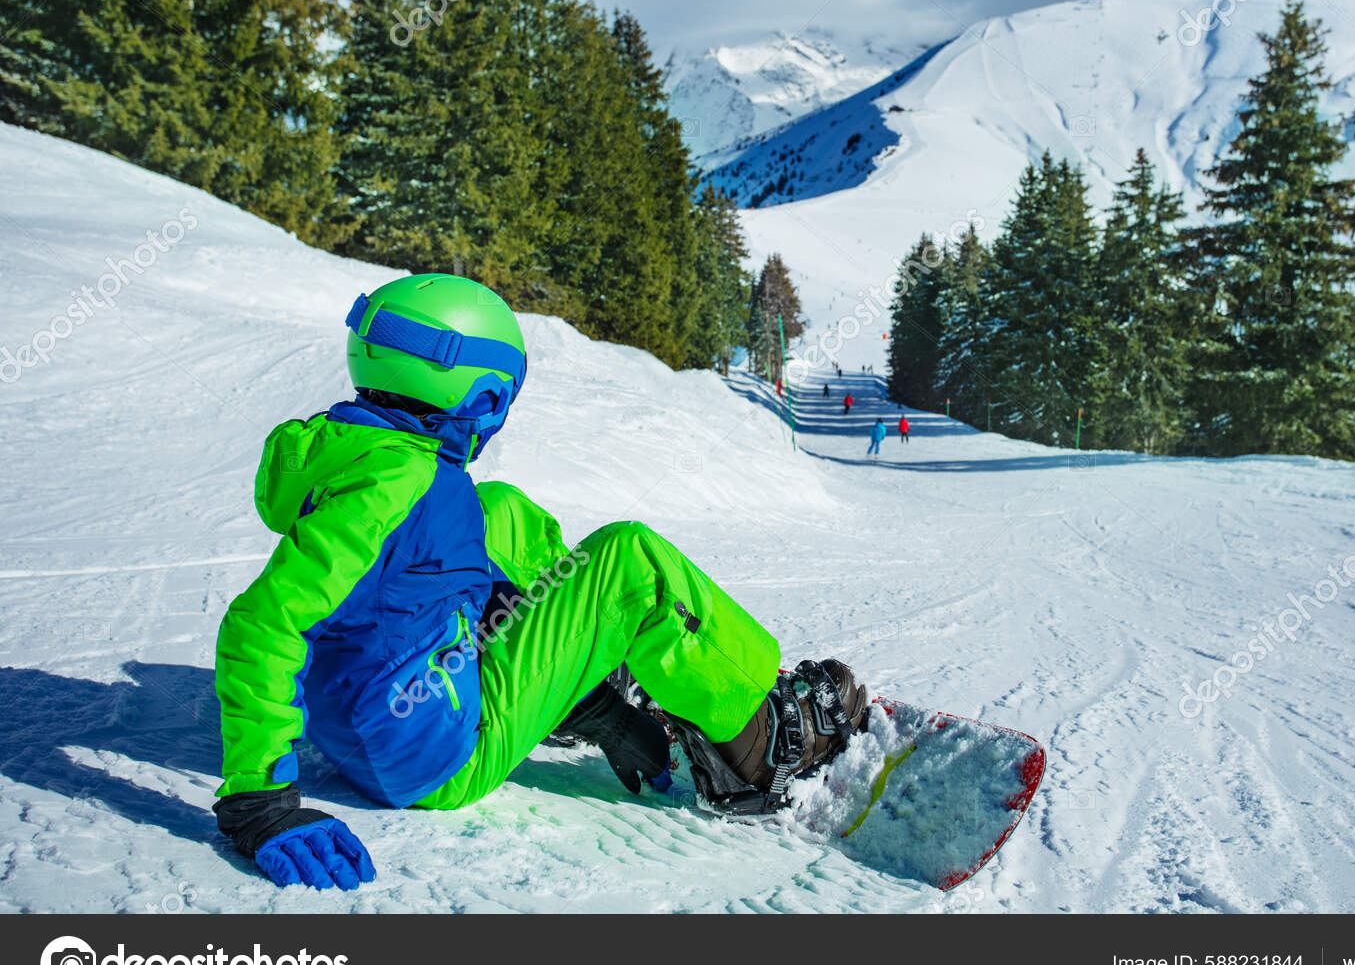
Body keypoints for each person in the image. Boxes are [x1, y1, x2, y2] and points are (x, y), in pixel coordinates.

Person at [211, 274, 868, 891]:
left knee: (494, 510)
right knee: (631, 564)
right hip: (433, 754)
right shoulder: (397, 486)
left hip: (364, 718)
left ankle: (594, 666)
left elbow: (402, 582)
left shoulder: (352, 448)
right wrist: (260, 804)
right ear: (482, 398)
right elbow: (259, 624)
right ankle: (761, 744)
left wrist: (599, 708)